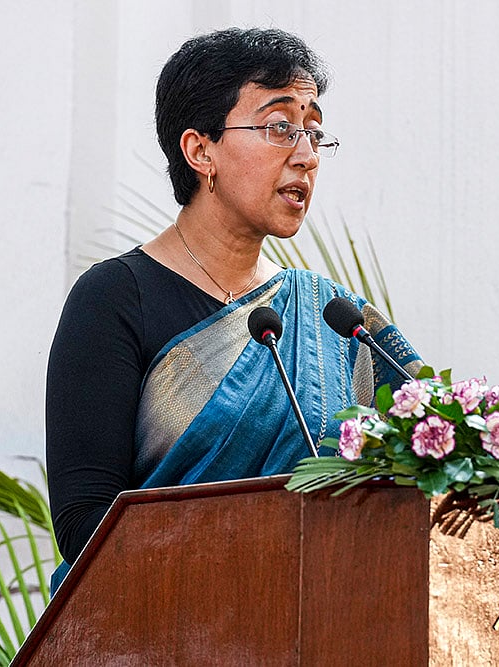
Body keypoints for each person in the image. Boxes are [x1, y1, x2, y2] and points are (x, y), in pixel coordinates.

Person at [45, 28, 421, 589]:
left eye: (314, 132)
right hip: (166, 622)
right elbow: (86, 527)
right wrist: (256, 564)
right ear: (201, 151)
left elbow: (438, 442)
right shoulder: (115, 299)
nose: (306, 156)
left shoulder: (333, 317)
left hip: (324, 619)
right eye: (279, 128)